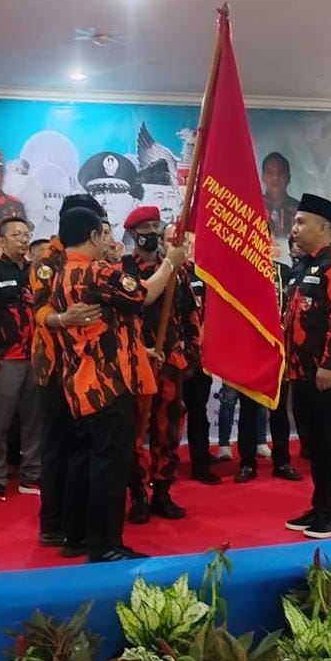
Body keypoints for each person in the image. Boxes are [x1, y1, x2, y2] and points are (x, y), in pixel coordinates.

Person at [52, 206, 186, 562]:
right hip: (109, 384)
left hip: (82, 381)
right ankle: (105, 545)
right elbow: (146, 294)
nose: (108, 241)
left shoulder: (63, 273)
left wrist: (140, 350)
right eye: (105, 234)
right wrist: (171, 262)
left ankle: (76, 536)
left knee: (84, 460)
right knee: (109, 465)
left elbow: (104, 326)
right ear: (93, 236)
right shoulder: (97, 272)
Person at [28, 194, 106, 551]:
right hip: (55, 367)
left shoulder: (96, 257)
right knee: (57, 446)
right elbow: (39, 310)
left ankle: (83, 520)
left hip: (89, 365)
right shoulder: (47, 261)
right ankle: (52, 523)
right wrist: (62, 319)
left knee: (85, 446)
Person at [283, 194, 331, 540]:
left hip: (328, 374)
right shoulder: (301, 269)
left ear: (323, 228)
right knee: (312, 444)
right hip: (301, 372)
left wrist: (330, 364)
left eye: (301, 222)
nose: (294, 228)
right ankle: (320, 505)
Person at [122, 205, 199, 521]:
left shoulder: (178, 272)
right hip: (137, 364)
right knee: (134, 431)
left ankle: (163, 492)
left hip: (170, 363)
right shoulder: (124, 270)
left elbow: (190, 314)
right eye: (146, 228)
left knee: (167, 431)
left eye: (157, 226)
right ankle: (138, 494)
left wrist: (192, 353)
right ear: (133, 234)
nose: (153, 233)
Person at [0, 216, 42, 500]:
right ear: (2, 241)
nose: (23, 239)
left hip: (36, 358)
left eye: (26, 234)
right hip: (5, 359)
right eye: (16, 235)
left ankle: (32, 475)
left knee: (34, 422)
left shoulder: (38, 272)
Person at [236, 242, 300, 483]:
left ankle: (282, 461)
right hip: (250, 351)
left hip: (279, 351)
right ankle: (247, 463)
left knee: (279, 410)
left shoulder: (285, 272)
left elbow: (294, 310)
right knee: (248, 410)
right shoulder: (241, 272)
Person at [180, 234, 218, 481]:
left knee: (198, 409)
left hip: (198, 353)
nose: (187, 247)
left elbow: (210, 310)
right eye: (178, 242)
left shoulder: (202, 274)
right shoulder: (161, 274)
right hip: (170, 353)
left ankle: (200, 460)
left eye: (190, 243)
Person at [261, 151, 300, 242]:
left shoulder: (300, 210)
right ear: (263, 177)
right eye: (270, 172)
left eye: (281, 172)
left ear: (288, 178)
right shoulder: (253, 208)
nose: (276, 177)